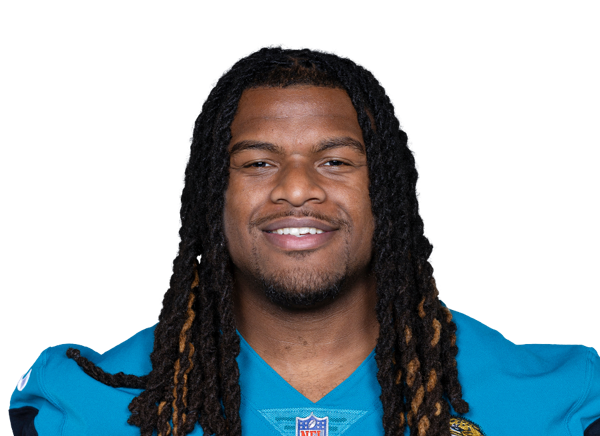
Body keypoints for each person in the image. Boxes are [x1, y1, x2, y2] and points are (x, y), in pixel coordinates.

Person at [9, 45, 599, 436]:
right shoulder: (79, 406)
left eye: (336, 161)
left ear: (387, 191)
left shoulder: (561, 400)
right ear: (212, 197)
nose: (296, 189)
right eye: (258, 163)